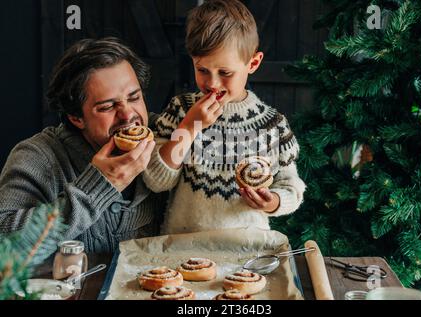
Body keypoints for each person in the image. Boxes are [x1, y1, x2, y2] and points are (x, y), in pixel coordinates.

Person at [143, 0, 306, 234]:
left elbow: (291, 187)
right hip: (183, 248)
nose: (212, 83)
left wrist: (272, 202)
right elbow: (157, 181)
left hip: (247, 252)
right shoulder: (180, 110)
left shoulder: (272, 125)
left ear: (253, 63)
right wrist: (190, 127)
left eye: (225, 72)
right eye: (202, 70)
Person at [0, 38, 163, 252]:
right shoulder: (37, 156)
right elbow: (5, 244)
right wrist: (102, 184)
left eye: (134, 97)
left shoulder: (165, 135)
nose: (128, 115)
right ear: (76, 117)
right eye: (107, 107)